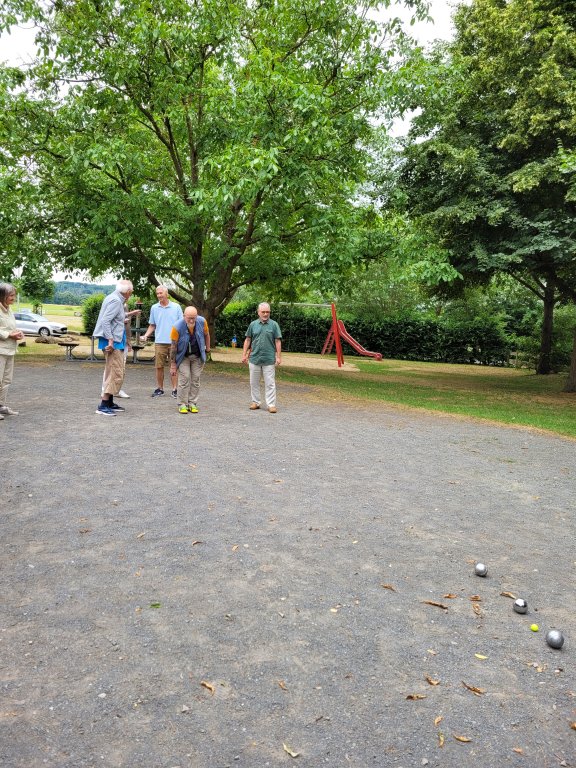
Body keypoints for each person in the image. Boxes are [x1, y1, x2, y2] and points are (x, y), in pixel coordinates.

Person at [93, 279, 134, 416]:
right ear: (128, 291)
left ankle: (109, 402)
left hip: (115, 341)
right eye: (131, 291)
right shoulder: (116, 301)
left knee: (114, 371)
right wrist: (110, 340)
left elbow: (115, 317)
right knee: (114, 372)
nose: (131, 293)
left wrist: (128, 315)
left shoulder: (113, 297)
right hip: (113, 343)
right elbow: (105, 321)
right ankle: (103, 405)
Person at [140, 285, 183, 398]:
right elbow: (152, 325)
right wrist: (146, 335)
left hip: (174, 342)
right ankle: (160, 389)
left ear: (166, 294)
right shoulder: (154, 308)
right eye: (157, 293)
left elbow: (181, 325)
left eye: (161, 293)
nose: (159, 295)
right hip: (160, 342)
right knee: (159, 366)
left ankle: (175, 389)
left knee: (174, 366)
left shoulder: (176, 307)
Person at [241, 302, 282, 413]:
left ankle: (271, 405)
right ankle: (255, 402)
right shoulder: (253, 324)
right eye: (263, 312)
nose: (265, 314)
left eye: (267, 312)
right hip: (254, 358)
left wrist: (278, 357)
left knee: (270, 383)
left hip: (269, 359)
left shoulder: (274, 325)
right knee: (254, 382)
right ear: (258, 312)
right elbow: (247, 340)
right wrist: (244, 355)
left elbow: (278, 341)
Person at [170, 306, 210, 414]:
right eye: (189, 318)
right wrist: (173, 364)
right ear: (184, 316)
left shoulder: (202, 322)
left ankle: (192, 403)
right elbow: (173, 347)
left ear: (197, 316)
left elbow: (206, 335)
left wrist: (208, 349)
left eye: (194, 318)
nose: (192, 321)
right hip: (183, 357)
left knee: (196, 379)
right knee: (184, 378)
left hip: (197, 356)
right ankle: (182, 404)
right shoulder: (176, 327)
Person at [101, 308, 140, 399]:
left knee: (120, 367)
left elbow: (126, 327)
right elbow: (107, 321)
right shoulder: (116, 303)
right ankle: (107, 391)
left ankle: (114, 390)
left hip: (122, 340)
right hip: (115, 341)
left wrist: (128, 341)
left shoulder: (123, 304)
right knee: (112, 367)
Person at [0, 282, 25, 420]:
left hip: (10, 350)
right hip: (0, 351)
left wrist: (18, 332)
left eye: (14, 295)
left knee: (6, 380)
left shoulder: (9, 310)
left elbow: (10, 327)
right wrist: (9, 335)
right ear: (3, 296)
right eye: (11, 295)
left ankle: (1, 406)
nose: (13, 298)